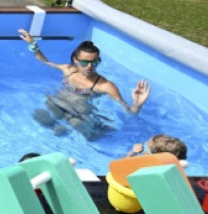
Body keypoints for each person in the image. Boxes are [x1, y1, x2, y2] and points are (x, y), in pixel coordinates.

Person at [18, 28, 150, 140]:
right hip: (59, 105)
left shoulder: (105, 85)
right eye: (84, 62)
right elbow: (45, 61)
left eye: (94, 62)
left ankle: (96, 131)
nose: (89, 66)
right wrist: (33, 44)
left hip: (80, 114)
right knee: (38, 114)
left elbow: (128, 112)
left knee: (80, 128)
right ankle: (62, 127)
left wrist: (137, 105)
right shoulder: (67, 69)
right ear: (75, 60)